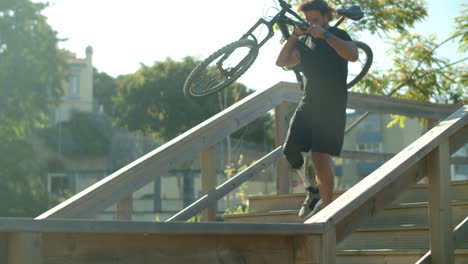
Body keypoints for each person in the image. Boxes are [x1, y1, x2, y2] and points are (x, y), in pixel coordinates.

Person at [275, 0, 358, 219]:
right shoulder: (304, 42)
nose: (312, 25)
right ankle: (312, 192)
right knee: (289, 150)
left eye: (316, 20)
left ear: (326, 18)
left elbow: (353, 55)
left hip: (332, 105)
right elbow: (281, 61)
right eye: (308, 20)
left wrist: (326, 36)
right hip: (308, 103)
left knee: (320, 156)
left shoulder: (339, 36)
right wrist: (294, 35)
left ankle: (328, 207)